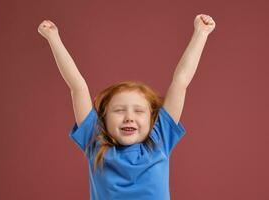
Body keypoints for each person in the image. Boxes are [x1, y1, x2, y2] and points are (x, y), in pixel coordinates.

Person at [38, 14, 215, 200]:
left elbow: (180, 82)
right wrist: (53, 38)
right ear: (103, 119)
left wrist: (201, 33)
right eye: (119, 110)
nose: (129, 117)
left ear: (152, 119)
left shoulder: (160, 139)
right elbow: (77, 87)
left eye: (138, 111)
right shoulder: (95, 141)